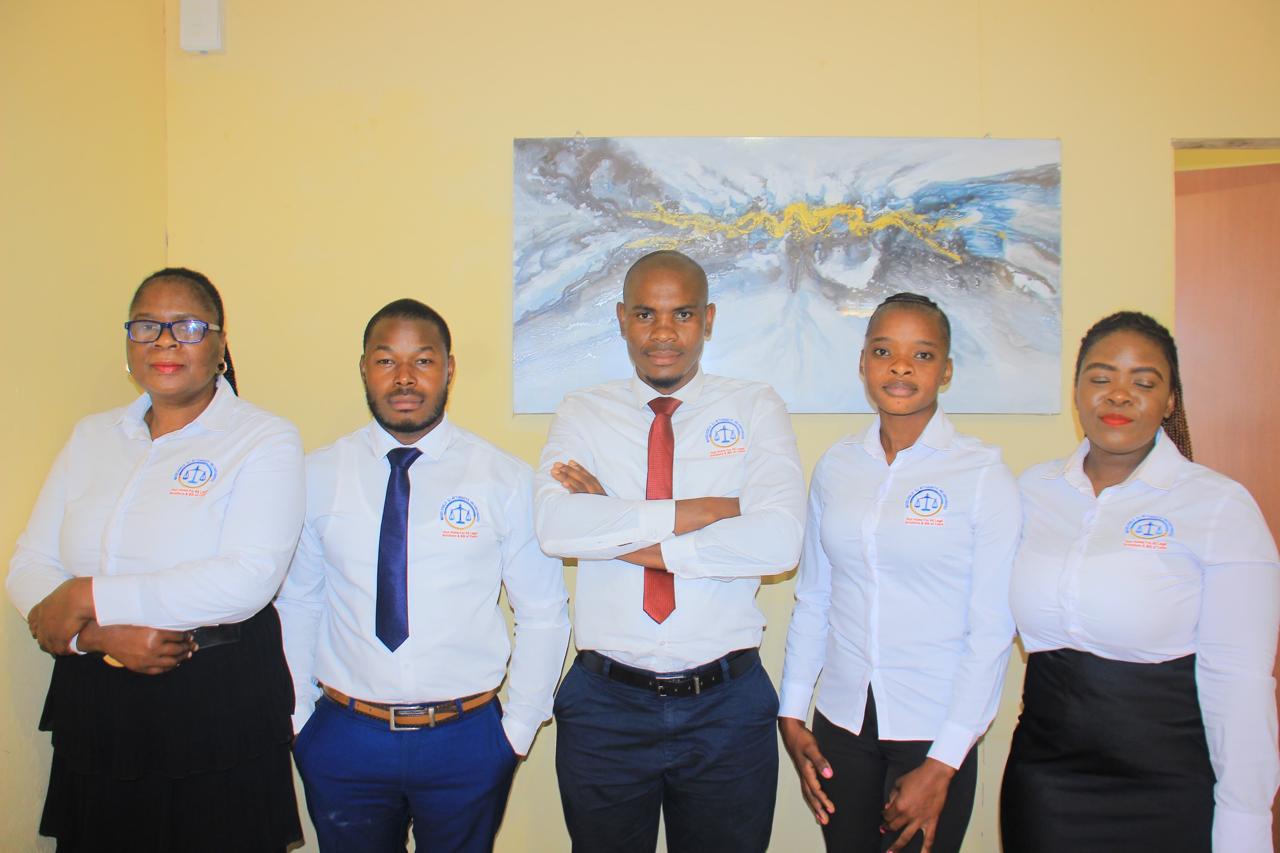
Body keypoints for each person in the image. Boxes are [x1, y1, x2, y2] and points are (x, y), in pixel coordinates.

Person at [7, 267, 306, 852]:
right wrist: (94, 636)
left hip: (216, 701)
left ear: (220, 345)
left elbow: (247, 579)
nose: (164, 341)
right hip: (97, 700)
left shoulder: (263, 437)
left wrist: (87, 595)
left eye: (187, 327)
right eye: (146, 326)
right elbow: (30, 562)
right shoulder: (92, 437)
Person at [534, 249, 806, 853]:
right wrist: (704, 511)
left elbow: (779, 542)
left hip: (726, 707)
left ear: (708, 319)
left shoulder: (755, 405)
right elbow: (556, 528)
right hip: (605, 706)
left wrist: (619, 530)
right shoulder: (583, 411)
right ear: (621, 319)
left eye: (682, 314)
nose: (663, 333)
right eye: (645, 314)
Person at [277, 298, 570, 853]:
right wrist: (299, 719)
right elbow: (298, 603)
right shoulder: (316, 475)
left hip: (467, 739)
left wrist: (517, 731)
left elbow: (543, 612)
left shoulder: (503, 480)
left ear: (449, 369)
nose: (405, 378)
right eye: (387, 360)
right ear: (364, 367)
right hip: (344, 737)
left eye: (424, 361)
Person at [1001, 311, 1280, 853]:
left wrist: (1245, 820)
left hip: (1170, 786)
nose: (1118, 395)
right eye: (1101, 378)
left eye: (1143, 382)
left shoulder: (1218, 506)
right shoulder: (1032, 491)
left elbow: (1240, 682)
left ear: (1171, 400)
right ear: (1077, 390)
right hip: (1045, 783)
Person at [777, 293, 1020, 853]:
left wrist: (945, 761)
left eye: (922, 355)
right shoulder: (837, 466)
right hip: (841, 723)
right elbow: (815, 597)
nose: (901, 367)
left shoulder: (983, 475)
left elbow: (991, 631)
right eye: (884, 351)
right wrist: (791, 711)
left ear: (947, 370)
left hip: (933, 731)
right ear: (863, 363)